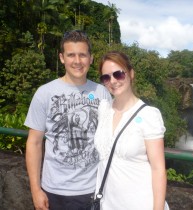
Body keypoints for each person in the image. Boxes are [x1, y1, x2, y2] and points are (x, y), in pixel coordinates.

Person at [24, 30, 112, 210]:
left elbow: (111, 137)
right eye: (71, 55)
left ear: (91, 58)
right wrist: (35, 190)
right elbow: (33, 143)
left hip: (93, 190)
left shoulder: (102, 93)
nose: (77, 61)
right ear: (62, 58)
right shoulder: (44, 93)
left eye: (82, 55)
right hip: (54, 192)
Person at [94, 51, 169, 210]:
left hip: (141, 203)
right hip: (106, 204)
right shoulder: (104, 109)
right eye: (106, 78)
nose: (113, 81)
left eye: (118, 74)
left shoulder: (148, 115)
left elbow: (158, 169)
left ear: (131, 73)